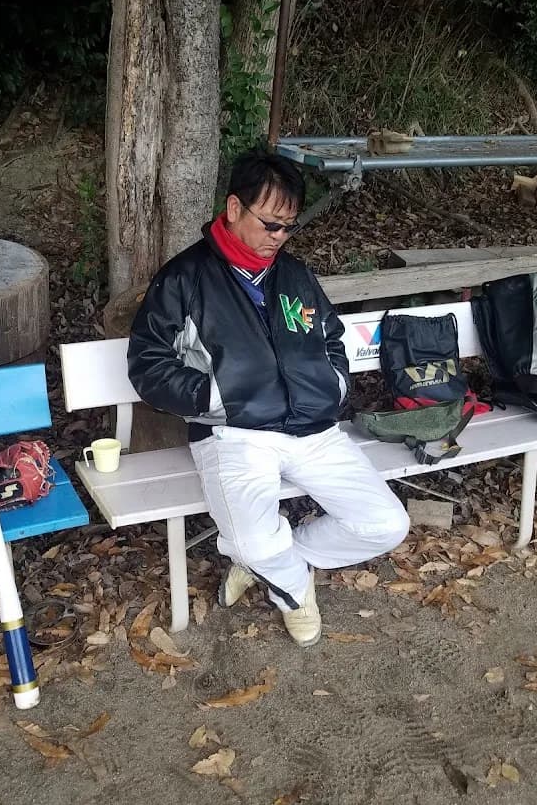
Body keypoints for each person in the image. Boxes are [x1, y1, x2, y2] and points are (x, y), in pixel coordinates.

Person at [127, 152, 410, 646]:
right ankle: (295, 591)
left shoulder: (295, 275)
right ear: (234, 208)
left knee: (386, 525)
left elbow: (330, 339)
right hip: (234, 433)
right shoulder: (184, 278)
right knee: (254, 539)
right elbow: (149, 365)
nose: (279, 237)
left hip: (313, 428)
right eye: (270, 224)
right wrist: (220, 398)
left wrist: (334, 385)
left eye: (288, 227)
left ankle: (270, 564)